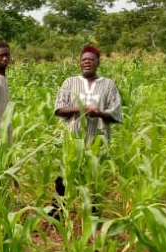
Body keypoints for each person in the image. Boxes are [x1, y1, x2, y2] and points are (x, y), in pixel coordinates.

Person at [50, 45, 122, 218]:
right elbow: (59, 109)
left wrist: (99, 113)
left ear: (98, 62)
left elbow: (116, 113)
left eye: (91, 59)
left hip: (96, 140)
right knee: (63, 176)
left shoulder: (108, 85)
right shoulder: (69, 82)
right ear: (80, 63)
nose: (87, 62)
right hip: (72, 140)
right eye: (84, 60)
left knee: (94, 178)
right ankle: (58, 211)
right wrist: (80, 109)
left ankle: (93, 215)